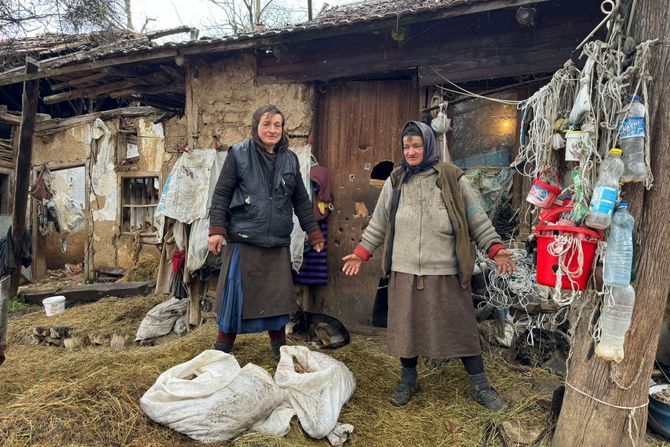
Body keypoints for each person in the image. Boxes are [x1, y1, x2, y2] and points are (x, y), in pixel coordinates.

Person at [342, 121, 516, 410]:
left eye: (417, 145)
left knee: (461, 328)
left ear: (428, 146)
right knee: (406, 329)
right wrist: (361, 253)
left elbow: (477, 218)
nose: (411, 151)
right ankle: (408, 379)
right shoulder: (396, 180)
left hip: (445, 271)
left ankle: (480, 385)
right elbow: (380, 222)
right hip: (405, 270)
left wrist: (495, 248)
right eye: (406, 146)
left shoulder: (452, 178)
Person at [208, 104, 324, 358]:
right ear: (255, 126)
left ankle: (279, 353)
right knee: (234, 303)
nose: (272, 130)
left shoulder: (290, 159)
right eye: (267, 124)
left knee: (276, 302)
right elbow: (222, 193)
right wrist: (217, 229)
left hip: (277, 242)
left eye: (277, 125)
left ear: (283, 129)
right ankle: (220, 355)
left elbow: (301, 201)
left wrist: (313, 231)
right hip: (244, 240)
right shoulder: (239, 154)